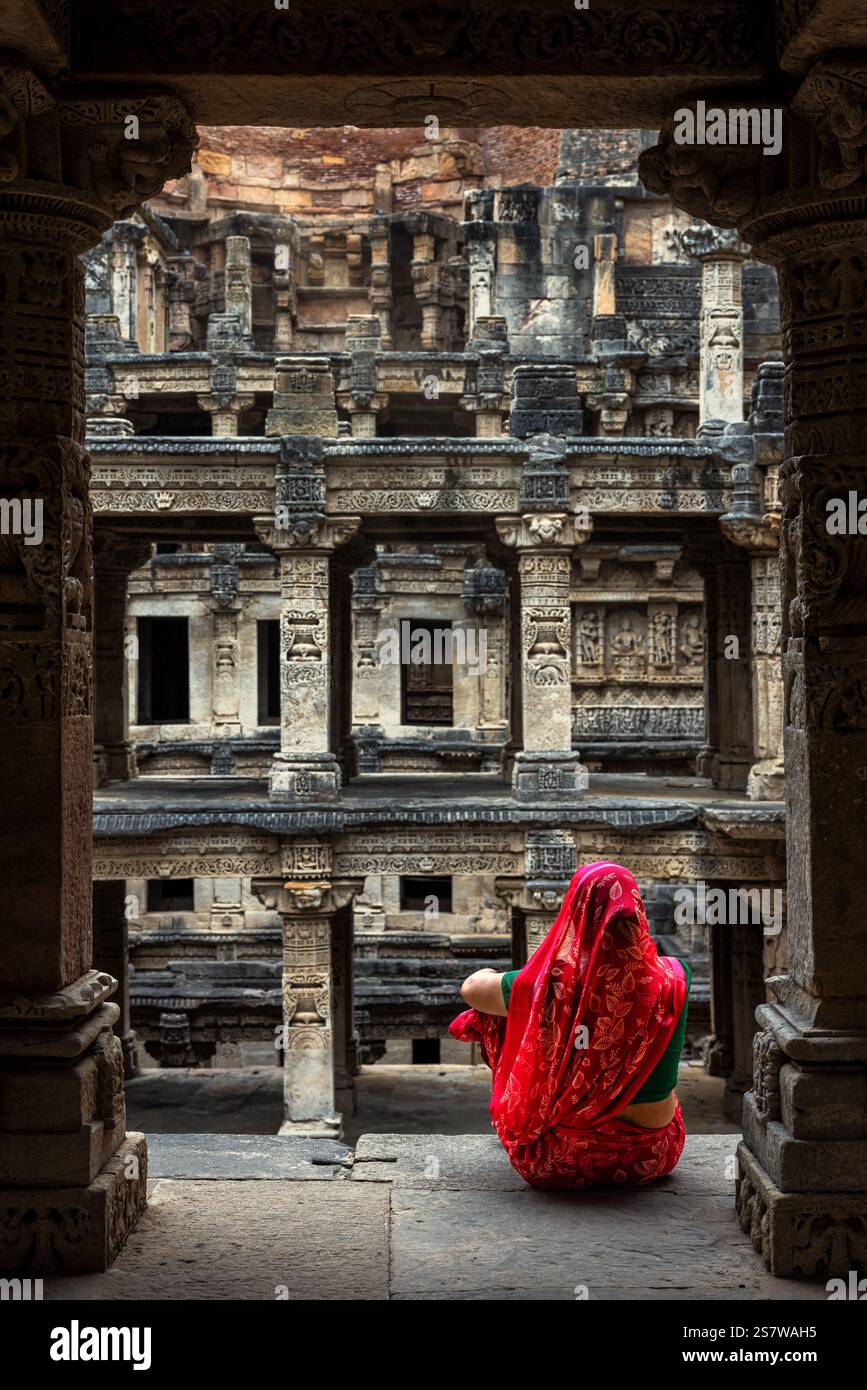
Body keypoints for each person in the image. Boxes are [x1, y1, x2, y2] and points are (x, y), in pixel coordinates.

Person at [452, 860, 690, 1190]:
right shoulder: (675, 977)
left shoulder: (551, 987)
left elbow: (472, 990)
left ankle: (533, 1112)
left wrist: (522, 978)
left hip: (565, 1161)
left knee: (498, 1014)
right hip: (655, 1154)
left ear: (577, 911)